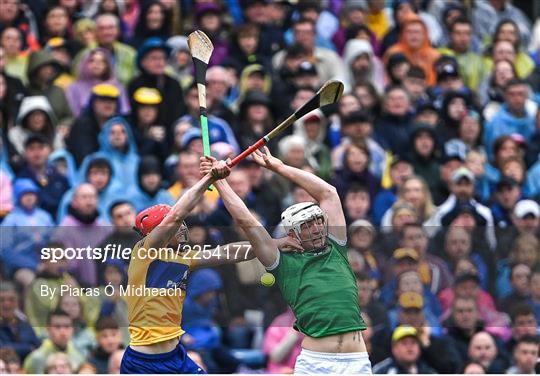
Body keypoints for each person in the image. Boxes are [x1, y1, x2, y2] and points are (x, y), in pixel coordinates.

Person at [201, 146, 372, 374]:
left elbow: (329, 193)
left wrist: (279, 167)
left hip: (357, 361)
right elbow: (247, 221)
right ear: (292, 233)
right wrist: (220, 182)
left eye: (318, 221)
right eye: (307, 225)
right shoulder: (280, 261)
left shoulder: (336, 246)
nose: (317, 227)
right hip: (315, 363)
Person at [120, 159, 299, 373]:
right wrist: (209, 179)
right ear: (160, 232)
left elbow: (227, 252)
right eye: (176, 227)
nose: (182, 229)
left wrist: (274, 244)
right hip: (144, 362)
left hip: (175, 356)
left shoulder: (182, 258)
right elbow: (177, 213)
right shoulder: (144, 253)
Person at [23, 309, 85, 373]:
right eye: (57, 327)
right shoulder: (36, 358)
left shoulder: (79, 358)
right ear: (48, 329)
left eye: (67, 326)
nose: (62, 332)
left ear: (73, 329)